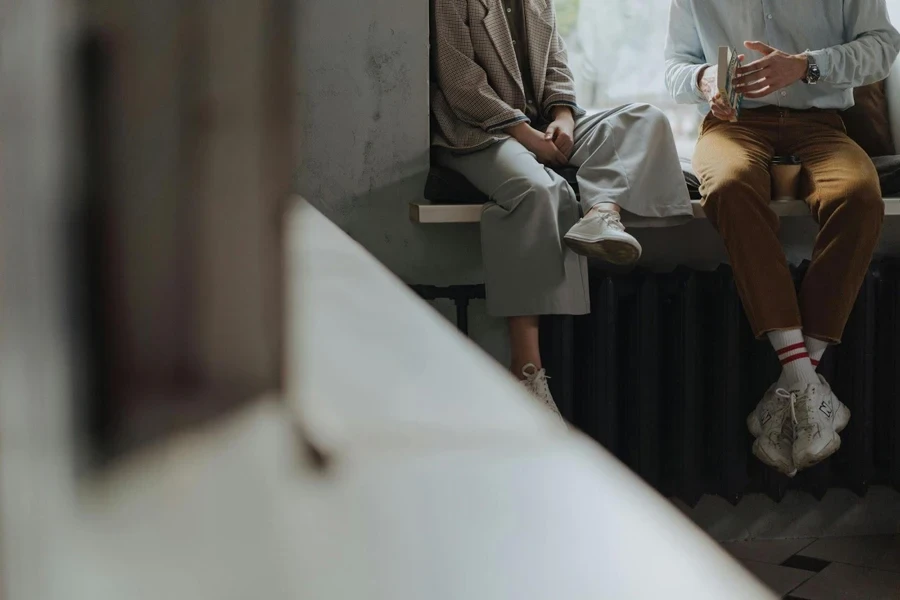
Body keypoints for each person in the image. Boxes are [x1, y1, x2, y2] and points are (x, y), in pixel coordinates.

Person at [665, 0, 900, 474]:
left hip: (823, 125)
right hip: (731, 128)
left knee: (858, 196)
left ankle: (796, 380)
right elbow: (673, 66)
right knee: (729, 188)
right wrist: (702, 80)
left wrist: (808, 66)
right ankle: (808, 387)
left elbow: (884, 46)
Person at [431, 0, 693, 423]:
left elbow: (556, 64)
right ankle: (526, 372)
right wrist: (527, 136)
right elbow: (462, 83)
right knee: (540, 191)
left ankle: (602, 214)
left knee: (644, 120)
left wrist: (564, 117)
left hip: (542, 122)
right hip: (479, 131)